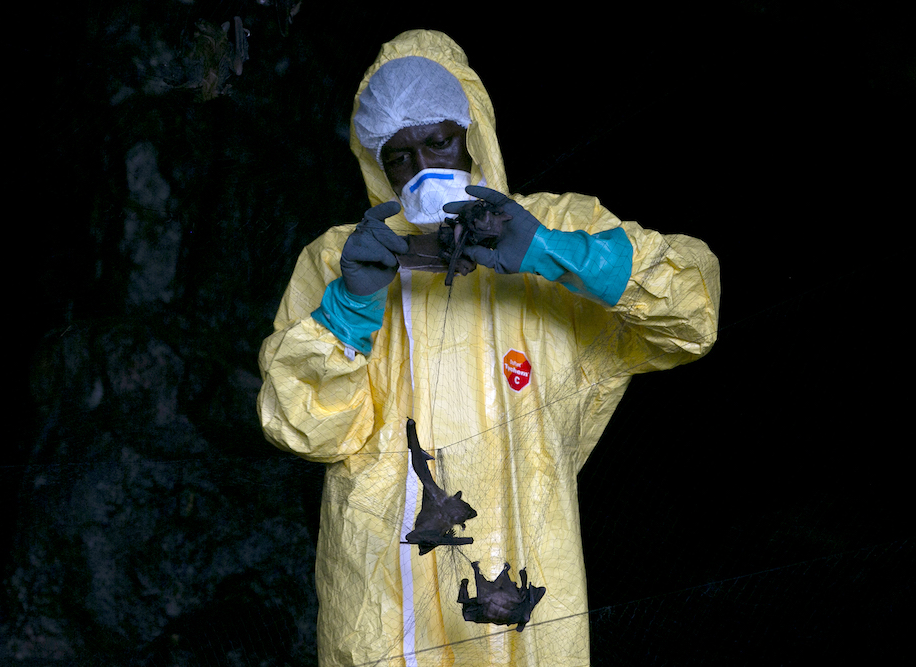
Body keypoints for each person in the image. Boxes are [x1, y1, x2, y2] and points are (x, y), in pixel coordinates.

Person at [258, 29, 720, 667]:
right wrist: (351, 304)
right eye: (399, 156)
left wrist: (552, 254)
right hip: (385, 598)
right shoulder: (343, 257)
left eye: (439, 141)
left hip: (523, 581)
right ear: (376, 164)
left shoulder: (555, 225)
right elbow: (299, 427)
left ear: (470, 132)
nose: (423, 168)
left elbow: (693, 311)